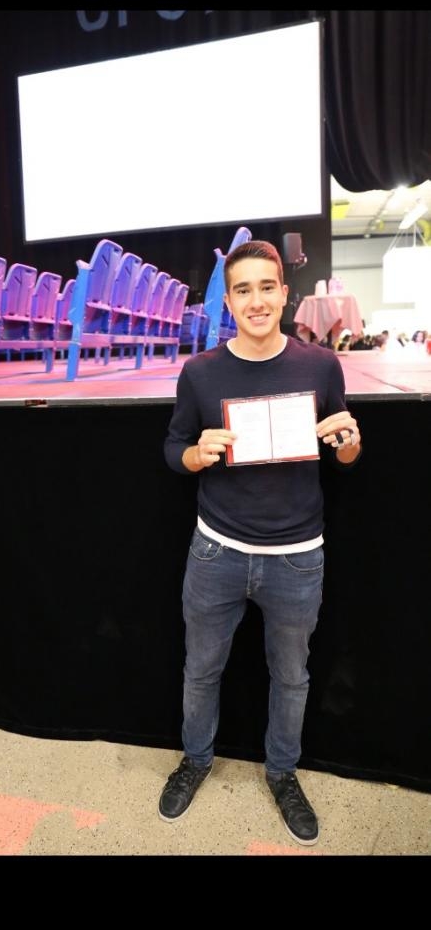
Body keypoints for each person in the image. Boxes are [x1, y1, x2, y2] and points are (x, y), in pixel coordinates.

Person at [159, 240, 362, 846]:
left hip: (297, 557)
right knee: (201, 669)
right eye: (242, 290)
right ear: (228, 301)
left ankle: (282, 772)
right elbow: (173, 449)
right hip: (216, 551)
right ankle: (196, 758)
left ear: (284, 293)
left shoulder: (320, 367)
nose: (256, 300)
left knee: (291, 677)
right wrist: (197, 454)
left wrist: (349, 442)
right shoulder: (200, 372)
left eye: (266, 287)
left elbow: (345, 452)